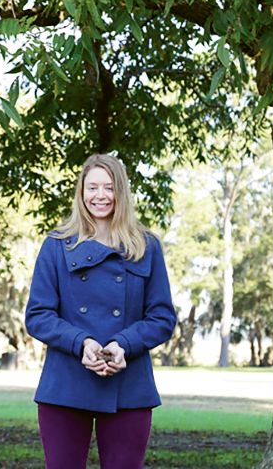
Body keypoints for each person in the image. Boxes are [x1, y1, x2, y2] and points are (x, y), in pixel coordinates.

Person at [25, 153, 177, 469]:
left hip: (129, 385)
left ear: (121, 192)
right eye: (92, 187)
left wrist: (123, 344)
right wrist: (82, 342)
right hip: (65, 383)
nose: (100, 196)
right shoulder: (57, 245)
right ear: (81, 193)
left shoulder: (146, 246)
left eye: (108, 188)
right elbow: (38, 315)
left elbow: (162, 317)